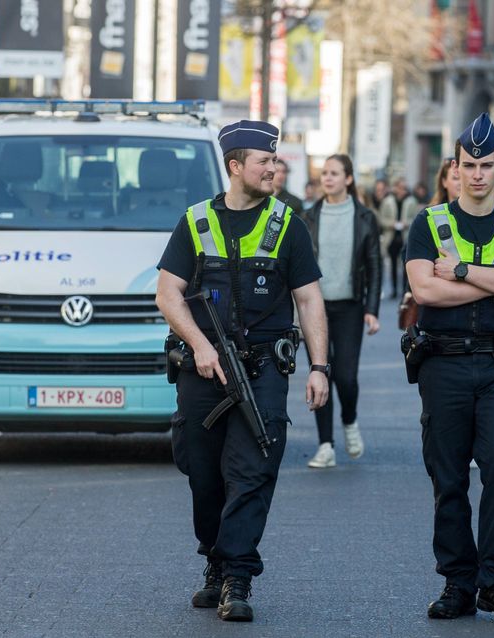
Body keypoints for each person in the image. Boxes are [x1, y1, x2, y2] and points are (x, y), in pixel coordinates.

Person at [155, 120, 331, 623]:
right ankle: (215, 560)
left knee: (252, 470)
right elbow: (168, 294)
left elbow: (308, 298)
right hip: (202, 369)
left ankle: (237, 576)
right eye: (264, 162)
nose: (274, 169)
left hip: (262, 369)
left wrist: (320, 367)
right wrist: (200, 345)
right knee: (202, 471)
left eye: (275, 162)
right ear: (235, 168)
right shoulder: (195, 221)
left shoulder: (287, 223)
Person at [405, 113, 494, 621]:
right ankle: (459, 583)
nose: (478, 174)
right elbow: (424, 291)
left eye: (487, 165)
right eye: (469, 165)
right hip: (443, 363)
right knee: (448, 478)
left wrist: (462, 271)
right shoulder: (429, 222)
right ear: (455, 168)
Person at [303, 154, 382, 468]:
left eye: (334, 173)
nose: (327, 178)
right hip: (315, 309)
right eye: (324, 173)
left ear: (348, 179)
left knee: (346, 377)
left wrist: (372, 309)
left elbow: (375, 266)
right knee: (320, 373)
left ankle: (349, 420)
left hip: (350, 307)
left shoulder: (364, 217)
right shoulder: (308, 217)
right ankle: (325, 445)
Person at [379, 178, 420, 299]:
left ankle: (404, 290)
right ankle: (394, 289)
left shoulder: (412, 201)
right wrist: (392, 223)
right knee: (392, 265)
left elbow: (415, 219)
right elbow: (382, 219)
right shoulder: (387, 201)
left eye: (405, 188)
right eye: (401, 187)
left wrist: (406, 223)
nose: (403, 190)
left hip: (406, 237)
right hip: (391, 237)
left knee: (406, 265)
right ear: (395, 188)